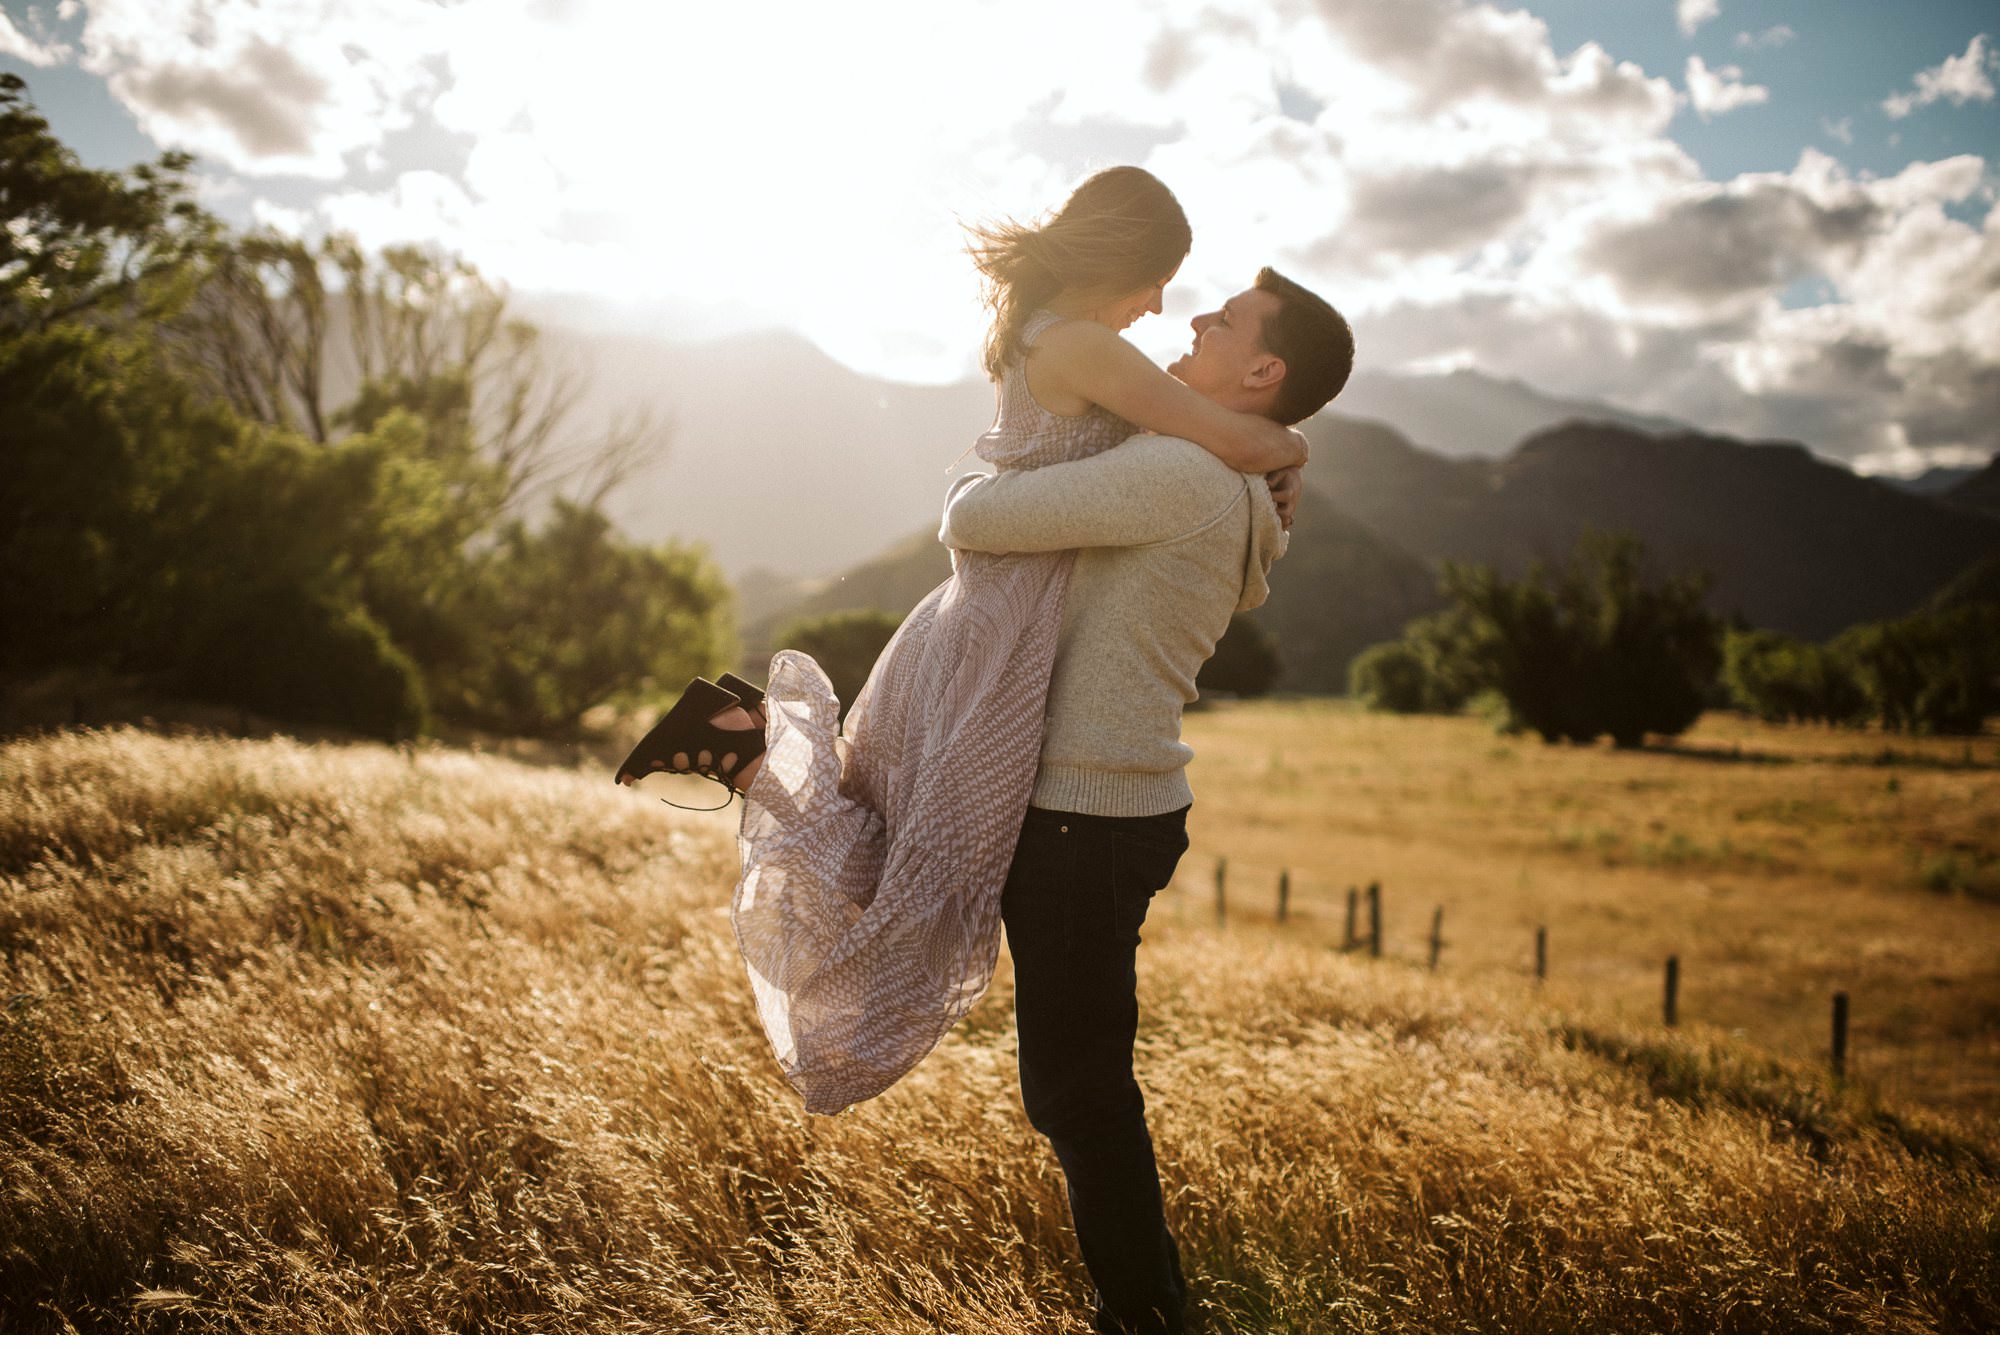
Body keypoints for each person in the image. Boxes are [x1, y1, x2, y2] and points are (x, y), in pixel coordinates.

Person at [617, 167, 1308, 1117]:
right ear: (1122, 259)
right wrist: (1292, 452)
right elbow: (1222, 436)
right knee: (926, 870)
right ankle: (742, 747)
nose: (1160, 306)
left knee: (911, 845)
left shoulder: (1054, 333)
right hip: (1002, 629)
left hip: (991, 613)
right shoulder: (1079, 346)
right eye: (1158, 280)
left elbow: (1204, 447)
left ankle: (743, 744)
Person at [937, 266, 1355, 1333]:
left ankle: (1149, 1314)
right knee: (1077, 1080)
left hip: (1082, 814)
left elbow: (975, 517)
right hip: (1114, 805)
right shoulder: (1227, 481)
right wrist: (1276, 452)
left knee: (1076, 1091)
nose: (1194, 320)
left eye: (1221, 320)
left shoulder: (1178, 469)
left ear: (1262, 370)